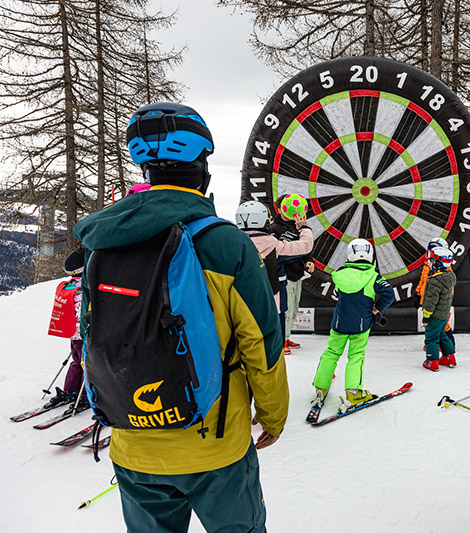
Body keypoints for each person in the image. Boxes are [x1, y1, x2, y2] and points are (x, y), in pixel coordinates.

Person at [73, 102, 289, 533]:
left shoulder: (103, 243)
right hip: (216, 447)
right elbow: (261, 344)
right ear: (202, 168)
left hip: (132, 444)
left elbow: (96, 335)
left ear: (145, 170)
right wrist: (272, 415)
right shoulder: (226, 244)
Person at [311, 238, 395, 412]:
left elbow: (337, 293)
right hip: (361, 325)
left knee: (331, 353)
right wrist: (377, 309)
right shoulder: (373, 277)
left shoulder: (340, 275)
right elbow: (389, 294)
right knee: (356, 356)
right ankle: (353, 393)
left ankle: (320, 388)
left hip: (339, 323)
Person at [235, 199, 313, 311]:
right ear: (265, 221)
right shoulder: (273, 245)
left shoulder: (230, 244)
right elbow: (305, 246)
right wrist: (304, 228)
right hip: (272, 305)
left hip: (240, 306)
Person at [270, 193, 315, 354]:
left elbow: (304, 249)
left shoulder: (297, 226)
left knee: (295, 307)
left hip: (298, 273)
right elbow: (274, 252)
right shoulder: (274, 228)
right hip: (284, 276)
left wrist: (309, 261)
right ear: (282, 207)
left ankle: (287, 336)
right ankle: (281, 341)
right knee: (285, 309)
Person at [44, 247, 87, 409]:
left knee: (77, 361)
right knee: (88, 363)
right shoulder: (84, 290)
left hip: (72, 333)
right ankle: (85, 395)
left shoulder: (67, 287)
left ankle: (70, 390)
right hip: (85, 333)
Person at [415, 237, 456, 353]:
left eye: (431, 253)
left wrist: (446, 301)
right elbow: (423, 280)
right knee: (430, 324)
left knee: (442, 325)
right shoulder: (428, 265)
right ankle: (432, 343)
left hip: (439, 302)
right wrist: (418, 293)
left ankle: (449, 343)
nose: (428, 257)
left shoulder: (445, 270)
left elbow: (448, 289)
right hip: (427, 298)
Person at [421, 245, 457, 371]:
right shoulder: (450, 276)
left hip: (434, 315)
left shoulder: (435, 280)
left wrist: (426, 315)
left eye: (431, 261)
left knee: (431, 337)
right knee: (442, 335)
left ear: (437, 263)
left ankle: (432, 361)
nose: (429, 263)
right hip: (444, 314)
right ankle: (449, 357)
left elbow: (431, 301)